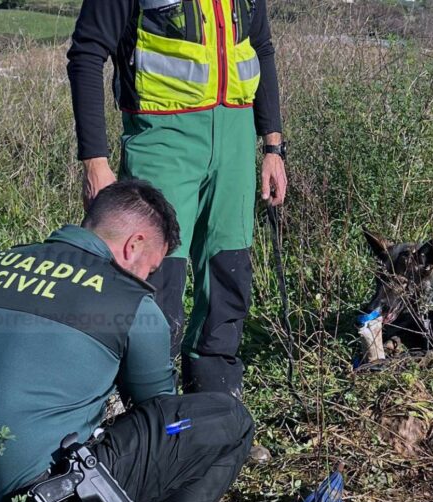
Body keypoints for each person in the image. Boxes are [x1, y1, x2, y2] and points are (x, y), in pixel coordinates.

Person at [0, 181, 254, 502]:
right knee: (230, 422)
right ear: (133, 245)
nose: (148, 281)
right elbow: (168, 426)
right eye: (150, 269)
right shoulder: (132, 303)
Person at [67, 0, 288, 397]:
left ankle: (214, 411)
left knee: (228, 277)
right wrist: (94, 162)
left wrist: (273, 146)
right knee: (154, 285)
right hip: (162, 139)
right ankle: (149, 415)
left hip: (236, 140)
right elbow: (86, 53)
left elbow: (262, 46)